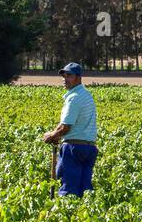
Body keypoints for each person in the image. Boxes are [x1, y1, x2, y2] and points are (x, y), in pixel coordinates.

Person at [41, 62, 99, 196]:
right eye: (63, 76)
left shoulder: (74, 98)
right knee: (85, 191)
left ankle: (65, 214)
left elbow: (65, 127)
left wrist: (51, 135)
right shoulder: (86, 95)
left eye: (69, 76)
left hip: (74, 148)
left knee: (68, 189)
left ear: (78, 78)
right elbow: (64, 124)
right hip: (89, 148)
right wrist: (56, 135)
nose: (64, 79)